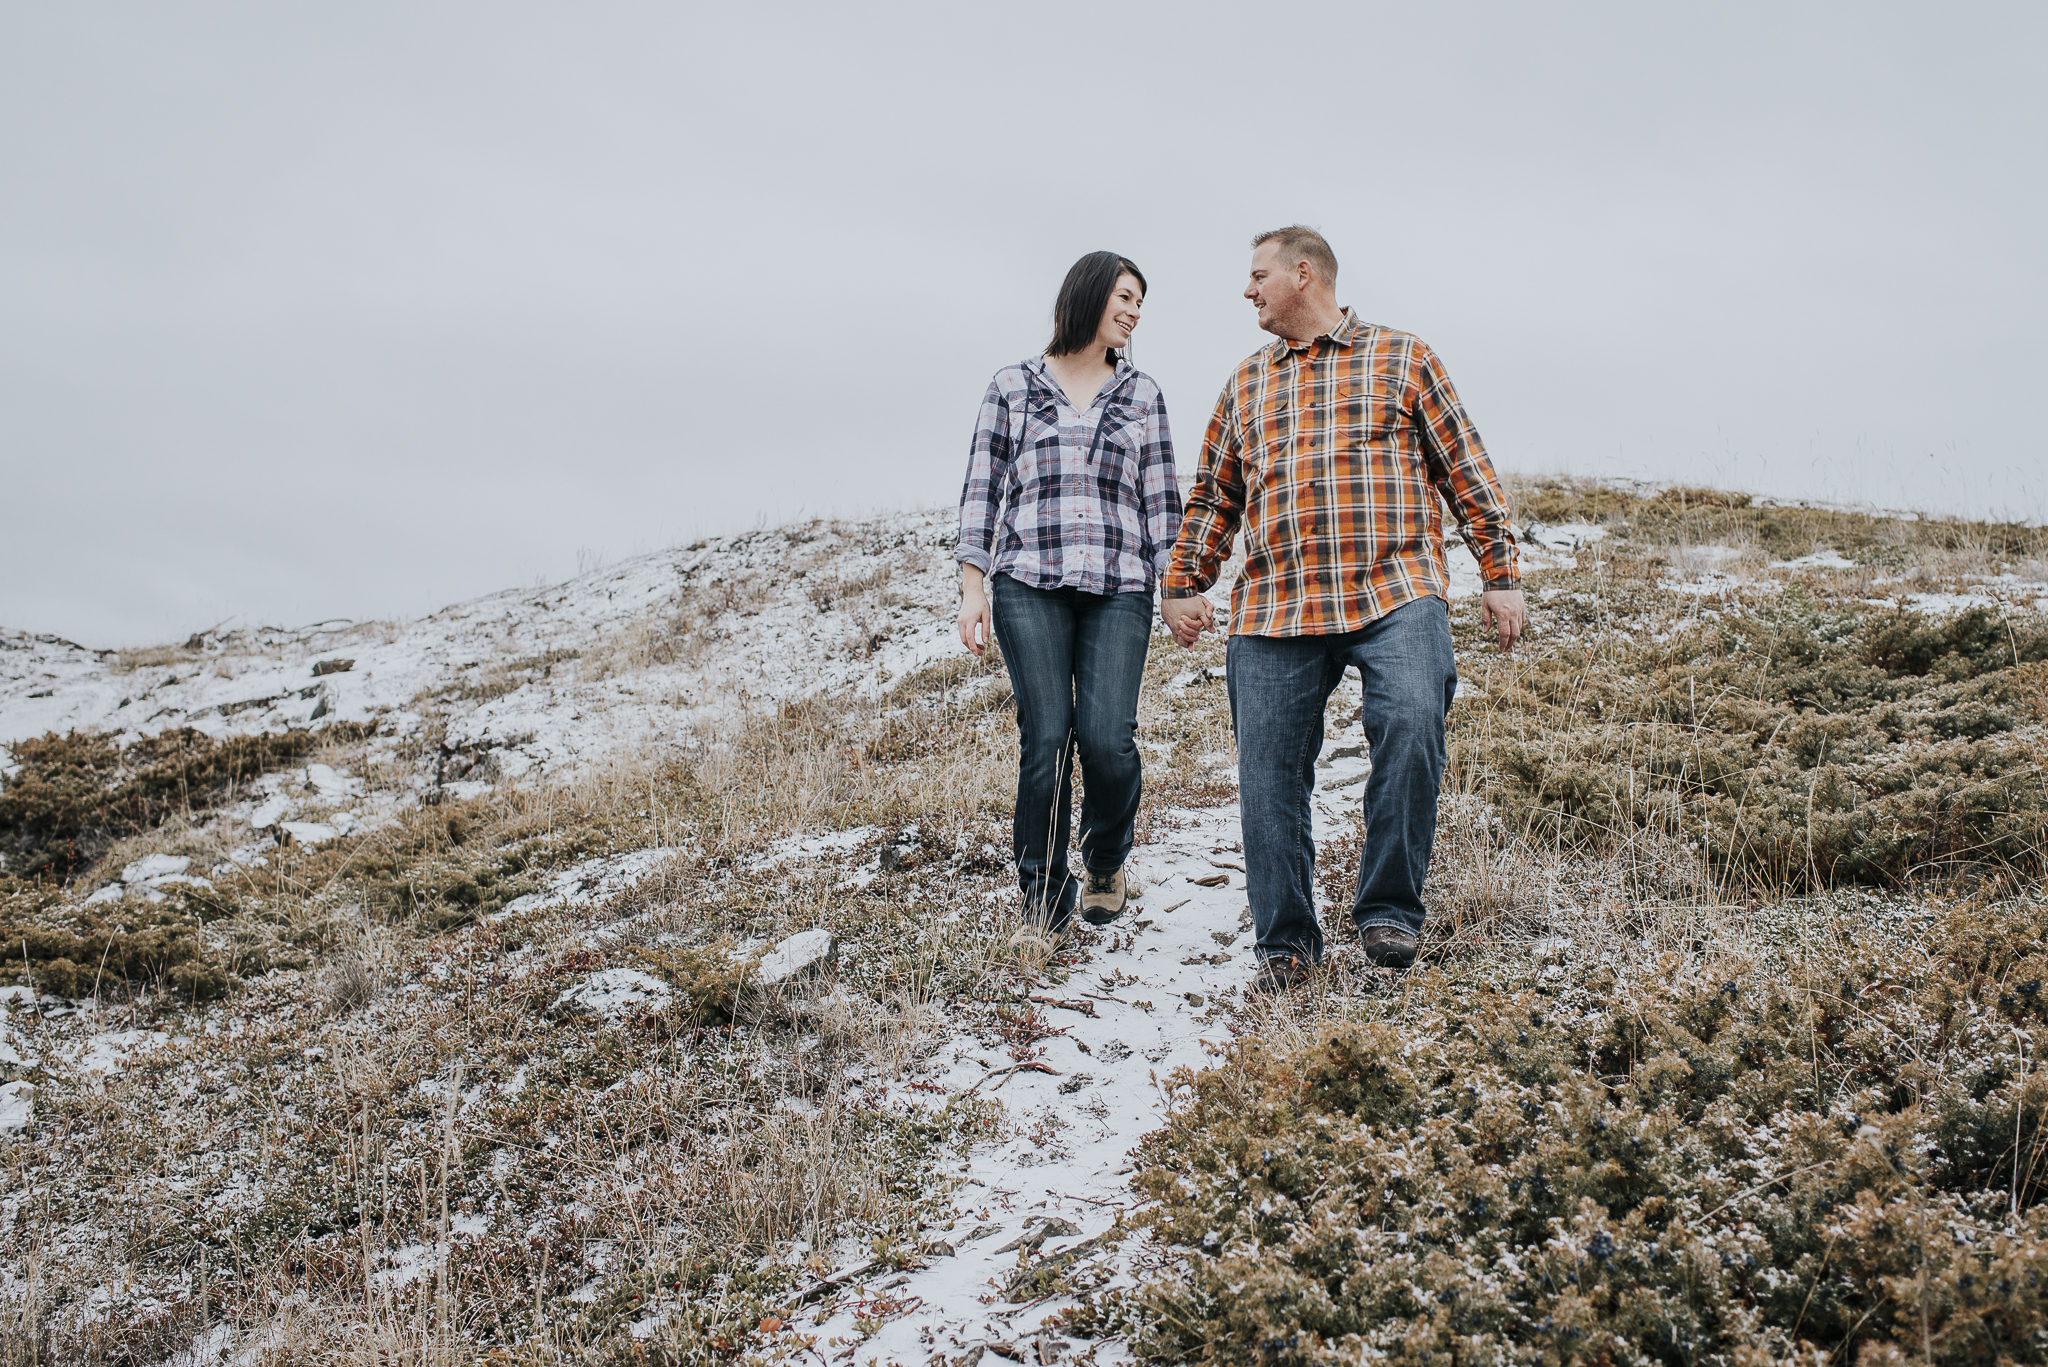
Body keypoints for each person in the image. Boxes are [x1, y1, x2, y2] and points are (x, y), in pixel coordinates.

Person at [1160, 226, 1525, 992]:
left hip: (1392, 590)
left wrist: (1501, 571)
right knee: (1269, 772)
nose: (1247, 290)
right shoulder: (1246, 382)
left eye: (1257, 275)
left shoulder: (1403, 357)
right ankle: (1286, 945)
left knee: (1414, 719)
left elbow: (1465, 465)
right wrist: (1184, 581)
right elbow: (1215, 494)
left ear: (1303, 274)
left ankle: (1389, 909)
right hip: (1274, 606)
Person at [955, 251, 1183, 945]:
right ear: (1087, 294)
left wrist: (1175, 589)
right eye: (1124, 295)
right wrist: (973, 587)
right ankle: (1043, 900)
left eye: (1140, 302)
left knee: (1108, 740)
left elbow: (1164, 506)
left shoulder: (1142, 396)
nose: (1135, 310)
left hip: (1119, 586)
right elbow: (981, 491)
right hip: (1029, 581)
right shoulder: (1013, 386)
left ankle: (1106, 857)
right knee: (1047, 738)